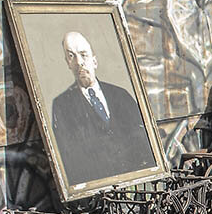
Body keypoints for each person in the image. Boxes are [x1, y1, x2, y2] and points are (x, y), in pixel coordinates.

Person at [51, 31, 155, 186]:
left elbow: (143, 141)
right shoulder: (62, 105)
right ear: (67, 63)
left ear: (94, 61)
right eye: (72, 56)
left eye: (83, 54)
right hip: (95, 191)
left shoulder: (121, 95)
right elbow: (69, 158)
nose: (79, 62)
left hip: (134, 186)